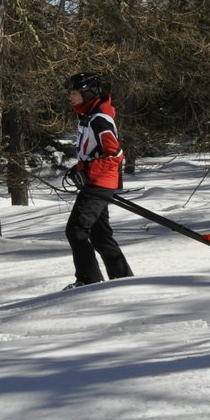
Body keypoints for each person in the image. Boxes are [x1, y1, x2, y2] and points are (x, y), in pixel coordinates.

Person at [64, 72, 133, 287]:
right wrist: (80, 168)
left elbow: (115, 154)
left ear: (87, 92)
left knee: (76, 230)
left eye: (74, 93)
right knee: (100, 236)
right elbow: (93, 152)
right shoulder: (88, 116)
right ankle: (123, 280)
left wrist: (88, 172)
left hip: (99, 183)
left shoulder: (99, 119)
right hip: (98, 181)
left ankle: (88, 280)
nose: (71, 97)